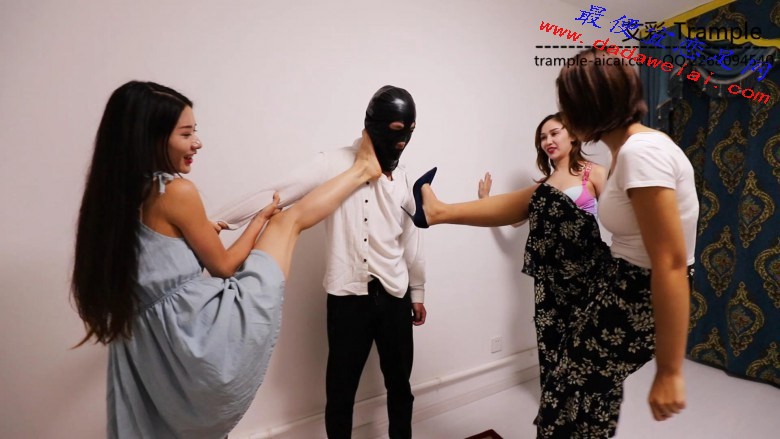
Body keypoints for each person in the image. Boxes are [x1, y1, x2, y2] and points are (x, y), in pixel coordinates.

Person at [407, 48, 698, 438]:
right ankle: (438, 211)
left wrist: (670, 371)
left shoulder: (640, 153)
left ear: (586, 107)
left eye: (566, 111)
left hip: (632, 293)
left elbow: (672, 263)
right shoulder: (629, 151)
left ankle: (438, 212)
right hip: (611, 285)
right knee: (579, 397)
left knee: (564, 399)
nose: (560, 123)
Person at [71, 80, 382, 439]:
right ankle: (362, 169)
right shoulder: (175, 192)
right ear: (150, 138)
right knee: (287, 221)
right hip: (194, 340)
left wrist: (194, 239)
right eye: (186, 134)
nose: (197, 143)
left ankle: (360, 170)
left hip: (149, 348)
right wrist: (259, 221)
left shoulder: (111, 201)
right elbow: (225, 267)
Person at [211, 85, 426, 439]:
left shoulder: (404, 177)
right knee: (340, 392)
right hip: (347, 298)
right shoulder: (332, 163)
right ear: (374, 125)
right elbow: (276, 194)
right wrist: (216, 222)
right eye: (395, 131)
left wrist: (417, 291)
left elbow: (412, 239)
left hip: (395, 296)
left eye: (410, 131)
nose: (402, 142)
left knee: (401, 387)